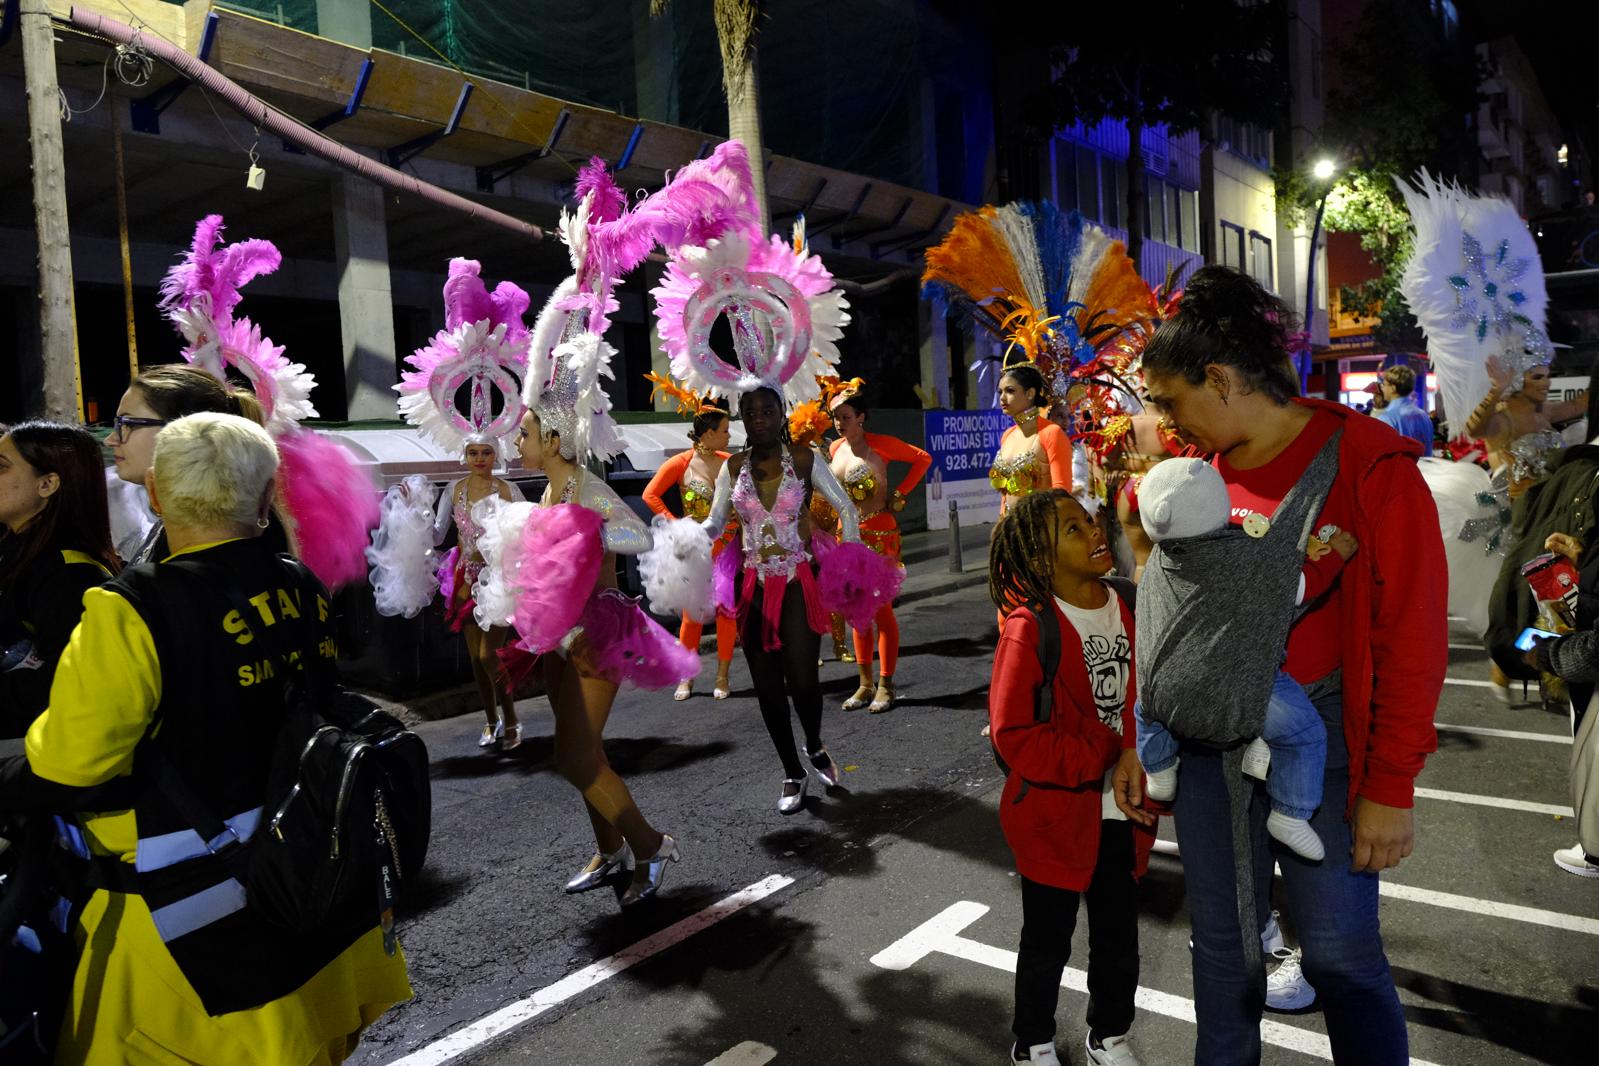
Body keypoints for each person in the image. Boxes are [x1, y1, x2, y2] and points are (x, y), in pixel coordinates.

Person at [0, 411, 409, 1063]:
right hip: (309, 884)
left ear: (157, 495)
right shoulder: (299, 585)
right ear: (266, 493)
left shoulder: (128, 609)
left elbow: (72, 764)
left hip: (184, 922)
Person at [1114, 265, 1445, 1066]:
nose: (1165, 422)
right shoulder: (1196, 481)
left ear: (1219, 378)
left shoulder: (1369, 465)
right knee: (1222, 960)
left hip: (1323, 741)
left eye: (1168, 400)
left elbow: (1412, 637)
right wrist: (1136, 734)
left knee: (1337, 956)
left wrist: (1388, 787)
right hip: (1204, 750)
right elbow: (1166, 620)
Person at [988, 489, 1151, 1066]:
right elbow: (1014, 735)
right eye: (1073, 530)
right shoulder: (1030, 628)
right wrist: (1107, 752)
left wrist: (1136, 750)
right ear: (1039, 560)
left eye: (1089, 521)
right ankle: (1031, 1042)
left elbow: (1148, 700)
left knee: (1118, 939)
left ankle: (1109, 1034)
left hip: (1124, 811)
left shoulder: (1130, 602)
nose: (1094, 532)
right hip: (1056, 814)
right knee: (1048, 940)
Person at [1133, 457, 1360, 862]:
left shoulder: (1159, 562)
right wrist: (1334, 556)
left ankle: (1160, 767)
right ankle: (1290, 813)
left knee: (1147, 705)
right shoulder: (1243, 560)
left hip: (1162, 695)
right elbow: (1299, 588)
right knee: (1305, 734)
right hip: (1235, 696)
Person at [701, 386, 861, 812]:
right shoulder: (732, 467)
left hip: (796, 579)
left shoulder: (806, 460)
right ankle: (792, 772)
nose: (758, 418)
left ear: (781, 414)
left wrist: (852, 558)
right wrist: (683, 540)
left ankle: (812, 743)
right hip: (752, 583)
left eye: (767, 410)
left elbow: (846, 509)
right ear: (741, 417)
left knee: (804, 682)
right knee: (768, 688)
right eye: (750, 412)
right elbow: (716, 524)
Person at [0, 422, 118, 737]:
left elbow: (60, 686)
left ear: (48, 484)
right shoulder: (14, 547)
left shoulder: (70, 575)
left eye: (1, 467)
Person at [827, 384, 931, 712]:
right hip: (849, 541)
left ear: (861, 418)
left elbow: (922, 458)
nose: (839, 423)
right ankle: (864, 683)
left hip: (879, 537)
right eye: (835, 417)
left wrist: (900, 494)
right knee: (857, 615)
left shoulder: (880, 446)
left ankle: (886, 683)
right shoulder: (834, 450)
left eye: (845, 417)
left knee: (881, 612)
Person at [108, 363, 277, 565]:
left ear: (185, 429)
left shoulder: (211, 545)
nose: (110, 439)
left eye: (127, 424)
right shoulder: (195, 528)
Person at [641, 387, 737, 702]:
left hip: (727, 546)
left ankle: (722, 676)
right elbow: (650, 495)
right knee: (691, 615)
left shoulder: (730, 462)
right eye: (723, 431)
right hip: (696, 551)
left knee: (726, 611)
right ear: (707, 434)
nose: (728, 435)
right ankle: (687, 675)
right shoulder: (681, 463)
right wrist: (678, 524)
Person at [434, 440, 521, 749]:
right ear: (465, 456)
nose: (480, 459)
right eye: (474, 453)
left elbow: (525, 532)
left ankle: (511, 719)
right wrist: (411, 509)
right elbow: (437, 532)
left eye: (486, 452)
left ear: (496, 454)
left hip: (498, 580)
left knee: (489, 656)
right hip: (464, 581)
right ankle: (490, 720)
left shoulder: (509, 490)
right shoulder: (454, 489)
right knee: (475, 659)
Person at [990, 364, 1074, 513]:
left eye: (1010, 391)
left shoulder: (1052, 433)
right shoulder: (1007, 435)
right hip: (1011, 527)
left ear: (1030, 393)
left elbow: (1062, 494)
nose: (1002, 397)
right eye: (1000, 392)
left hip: (1041, 527)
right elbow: (1006, 496)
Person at [1372, 365, 1433, 456]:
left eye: (1384, 384)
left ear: (1393, 388)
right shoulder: (1424, 416)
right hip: (1425, 469)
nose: (1382, 389)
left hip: (1401, 469)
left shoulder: (1386, 418)